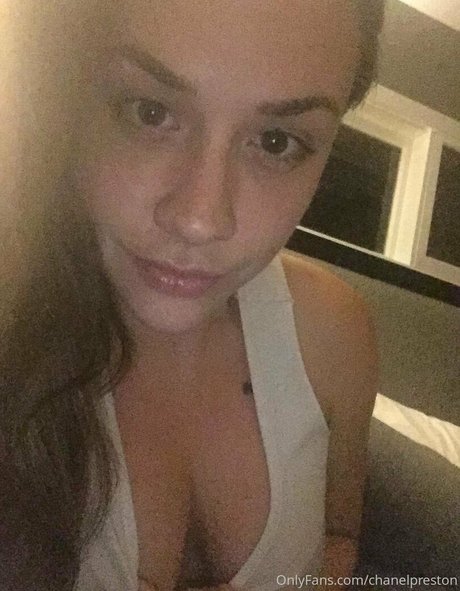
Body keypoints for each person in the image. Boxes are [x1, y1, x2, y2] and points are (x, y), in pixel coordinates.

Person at [0, 1, 383, 590]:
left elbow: (339, 536)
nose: (201, 220)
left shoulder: (333, 334)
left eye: (276, 142)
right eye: (149, 112)